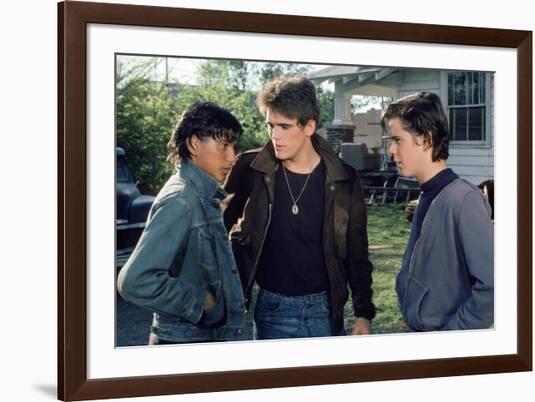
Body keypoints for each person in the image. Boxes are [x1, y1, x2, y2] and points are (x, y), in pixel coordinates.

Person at [223, 76, 376, 340]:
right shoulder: (250, 169)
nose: (275, 136)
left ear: (309, 126)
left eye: (284, 126)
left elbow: (356, 250)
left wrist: (363, 312)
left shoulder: (343, 178)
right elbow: (217, 232)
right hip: (271, 308)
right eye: (270, 125)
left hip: (325, 310)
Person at [117, 102, 247, 344]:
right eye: (224, 145)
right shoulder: (181, 199)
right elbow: (134, 281)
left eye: (234, 146)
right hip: (185, 342)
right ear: (194, 144)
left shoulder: (200, 194)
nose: (232, 156)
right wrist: (201, 302)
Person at [380, 92, 494, 332]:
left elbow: (493, 287)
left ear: (426, 139)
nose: (391, 149)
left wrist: (447, 338)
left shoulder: (463, 200)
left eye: (397, 140)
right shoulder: (426, 194)